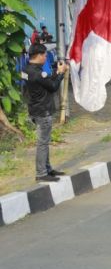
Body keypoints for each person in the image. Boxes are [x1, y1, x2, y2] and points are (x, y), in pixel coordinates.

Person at [23, 43, 66, 182]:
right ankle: (41, 173)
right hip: (43, 111)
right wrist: (60, 74)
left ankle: (47, 168)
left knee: (45, 142)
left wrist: (56, 73)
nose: (46, 57)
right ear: (39, 55)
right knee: (42, 143)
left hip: (34, 109)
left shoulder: (26, 70)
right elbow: (53, 86)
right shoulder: (37, 73)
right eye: (45, 55)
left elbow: (45, 83)